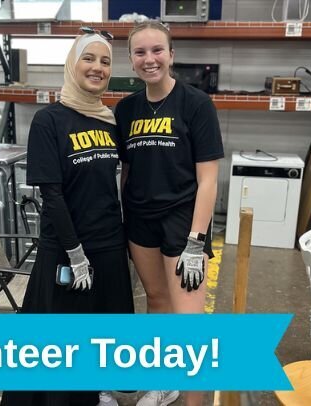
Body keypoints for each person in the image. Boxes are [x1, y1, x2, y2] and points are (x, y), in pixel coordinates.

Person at [0, 32, 134, 406]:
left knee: (103, 333)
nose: (97, 68)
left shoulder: (110, 121)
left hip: (108, 245)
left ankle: (96, 393)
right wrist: (75, 253)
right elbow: (52, 195)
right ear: (72, 65)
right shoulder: (49, 121)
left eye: (105, 61)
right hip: (66, 248)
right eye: (88, 58)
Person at [114, 22, 224, 406]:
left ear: (171, 55)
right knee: (157, 301)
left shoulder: (196, 104)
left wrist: (196, 242)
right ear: (131, 60)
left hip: (182, 220)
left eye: (157, 50)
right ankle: (164, 383)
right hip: (140, 220)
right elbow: (126, 170)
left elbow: (208, 181)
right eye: (140, 52)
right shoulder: (126, 109)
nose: (150, 59)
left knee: (188, 322)